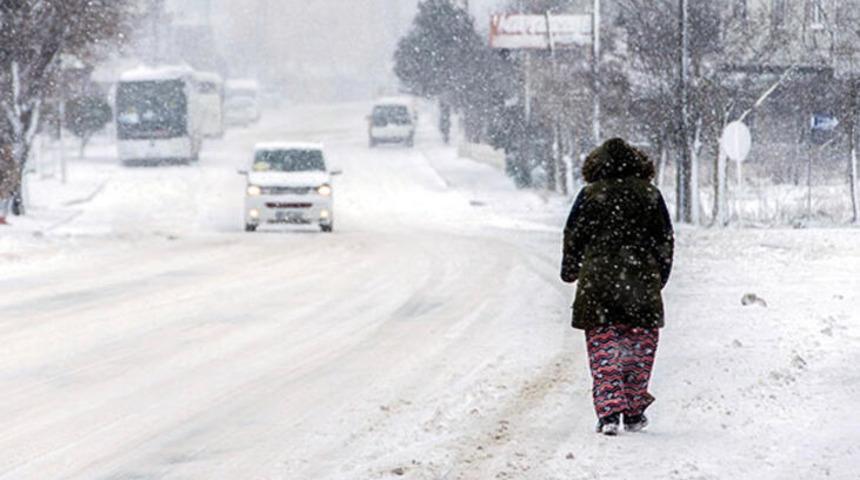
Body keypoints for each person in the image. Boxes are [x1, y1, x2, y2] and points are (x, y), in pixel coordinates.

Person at [560, 138, 674, 436]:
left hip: (598, 287)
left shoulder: (589, 195)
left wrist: (570, 270)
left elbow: (573, 236)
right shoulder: (650, 195)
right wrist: (658, 277)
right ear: (640, 164)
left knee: (604, 351)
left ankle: (610, 413)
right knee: (638, 351)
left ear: (596, 166)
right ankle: (634, 412)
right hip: (641, 286)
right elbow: (664, 240)